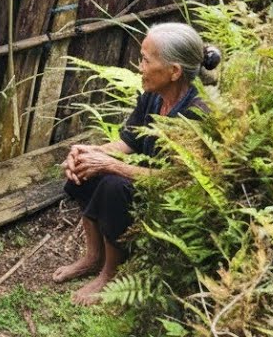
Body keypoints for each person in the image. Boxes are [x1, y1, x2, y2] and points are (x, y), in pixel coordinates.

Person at [54, 22, 221, 305]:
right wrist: (89, 151)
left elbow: (177, 178)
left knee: (111, 184)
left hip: (172, 197)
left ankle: (111, 274)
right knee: (84, 168)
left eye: (145, 60)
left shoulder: (196, 113)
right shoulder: (153, 96)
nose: (139, 66)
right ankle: (93, 257)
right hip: (141, 176)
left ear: (174, 71)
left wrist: (108, 164)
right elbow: (129, 142)